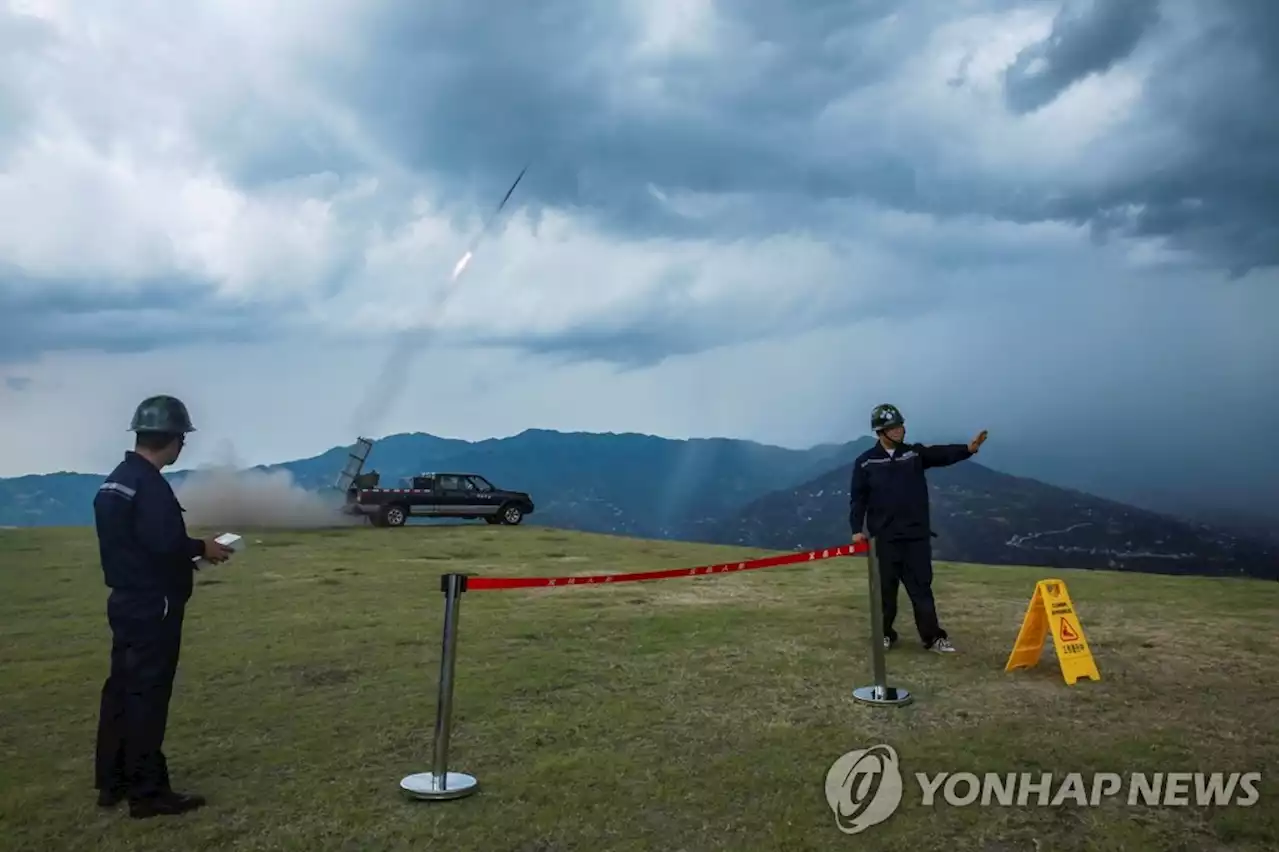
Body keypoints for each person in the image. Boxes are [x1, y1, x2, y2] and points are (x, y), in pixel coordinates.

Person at [92, 395, 234, 818]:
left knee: (121, 690)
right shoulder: (150, 486)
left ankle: (112, 780)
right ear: (172, 439)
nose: (182, 447)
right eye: (182, 439)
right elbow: (165, 544)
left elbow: (137, 545)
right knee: (148, 696)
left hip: (126, 600)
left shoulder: (117, 480)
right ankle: (149, 792)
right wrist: (203, 548)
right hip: (155, 606)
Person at [848, 403, 987, 654]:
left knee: (921, 589)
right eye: (893, 427)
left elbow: (939, 454)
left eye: (901, 425)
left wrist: (967, 449)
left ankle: (933, 638)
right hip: (884, 539)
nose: (900, 430)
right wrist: (857, 529)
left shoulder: (913, 454)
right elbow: (858, 499)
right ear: (881, 432)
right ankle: (884, 635)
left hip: (916, 537)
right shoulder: (866, 462)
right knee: (885, 592)